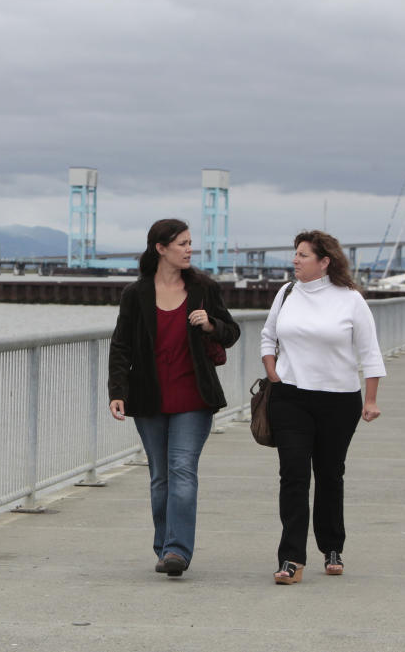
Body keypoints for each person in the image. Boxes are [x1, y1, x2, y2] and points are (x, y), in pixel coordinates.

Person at [108, 218, 240, 578]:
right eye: (181, 243)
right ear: (160, 249)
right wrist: (117, 392)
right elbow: (121, 346)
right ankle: (164, 545)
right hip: (149, 399)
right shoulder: (135, 294)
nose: (189, 249)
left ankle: (177, 552)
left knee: (182, 471)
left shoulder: (203, 289)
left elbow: (231, 333)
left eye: (189, 243)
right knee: (160, 478)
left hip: (194, 399)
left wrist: (210, 324)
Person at [259, 230, 385, 585]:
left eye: (302, 255)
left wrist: (372, 399)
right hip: (291, 398)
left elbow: (370, 352)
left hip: (339, 400)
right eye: (295, 254)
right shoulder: (286, 293)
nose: (295, 260)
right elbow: (269, 336)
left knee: (330, 474)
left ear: (324, 261)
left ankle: (332, 548)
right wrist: (272, 370)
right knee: (293, 476)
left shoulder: (350, 300)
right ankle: (291, 559)